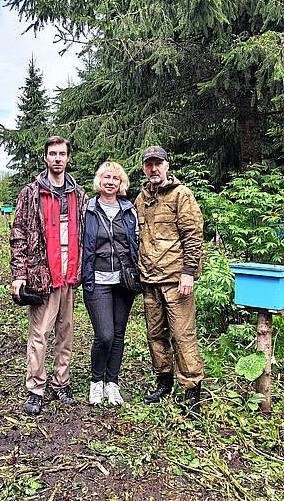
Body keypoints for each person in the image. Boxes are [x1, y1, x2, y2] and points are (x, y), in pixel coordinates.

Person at [10, 136, 88, 416]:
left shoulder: (78, 195)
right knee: (40, 334)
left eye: (62, 154)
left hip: (70, 274)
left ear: (68, 158)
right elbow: (18, 234)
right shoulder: (30, 193)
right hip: (42, 274)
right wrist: (19, 275)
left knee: (65, 333)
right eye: (53, 153)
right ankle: (36, 388)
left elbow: (86, 236)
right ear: (45, 158)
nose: (57, 158)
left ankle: (61, 383)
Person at [135, 146, 205, 413]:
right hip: (149, 279)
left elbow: (193, 235)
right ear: (144, 168)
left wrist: (188, 272)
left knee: (183, 335)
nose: (154, 169)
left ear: (167, 165)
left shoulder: (181, 195)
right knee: (155, 334)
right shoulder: (141, 199)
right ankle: (163, 382)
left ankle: (191, 391)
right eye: (149, 164)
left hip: (177, 281)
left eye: (158, 164)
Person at [82, 161, 139, 405]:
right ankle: (96, 381)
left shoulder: (129, 210)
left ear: (121, 183)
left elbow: (137, 241)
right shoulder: (88, 210)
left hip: (124, 281)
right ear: (99, 181)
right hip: (97, 279)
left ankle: (112, 383)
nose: (110, 182)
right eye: (106, 177)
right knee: (104, 335)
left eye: (115, 178)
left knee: (118, 335)